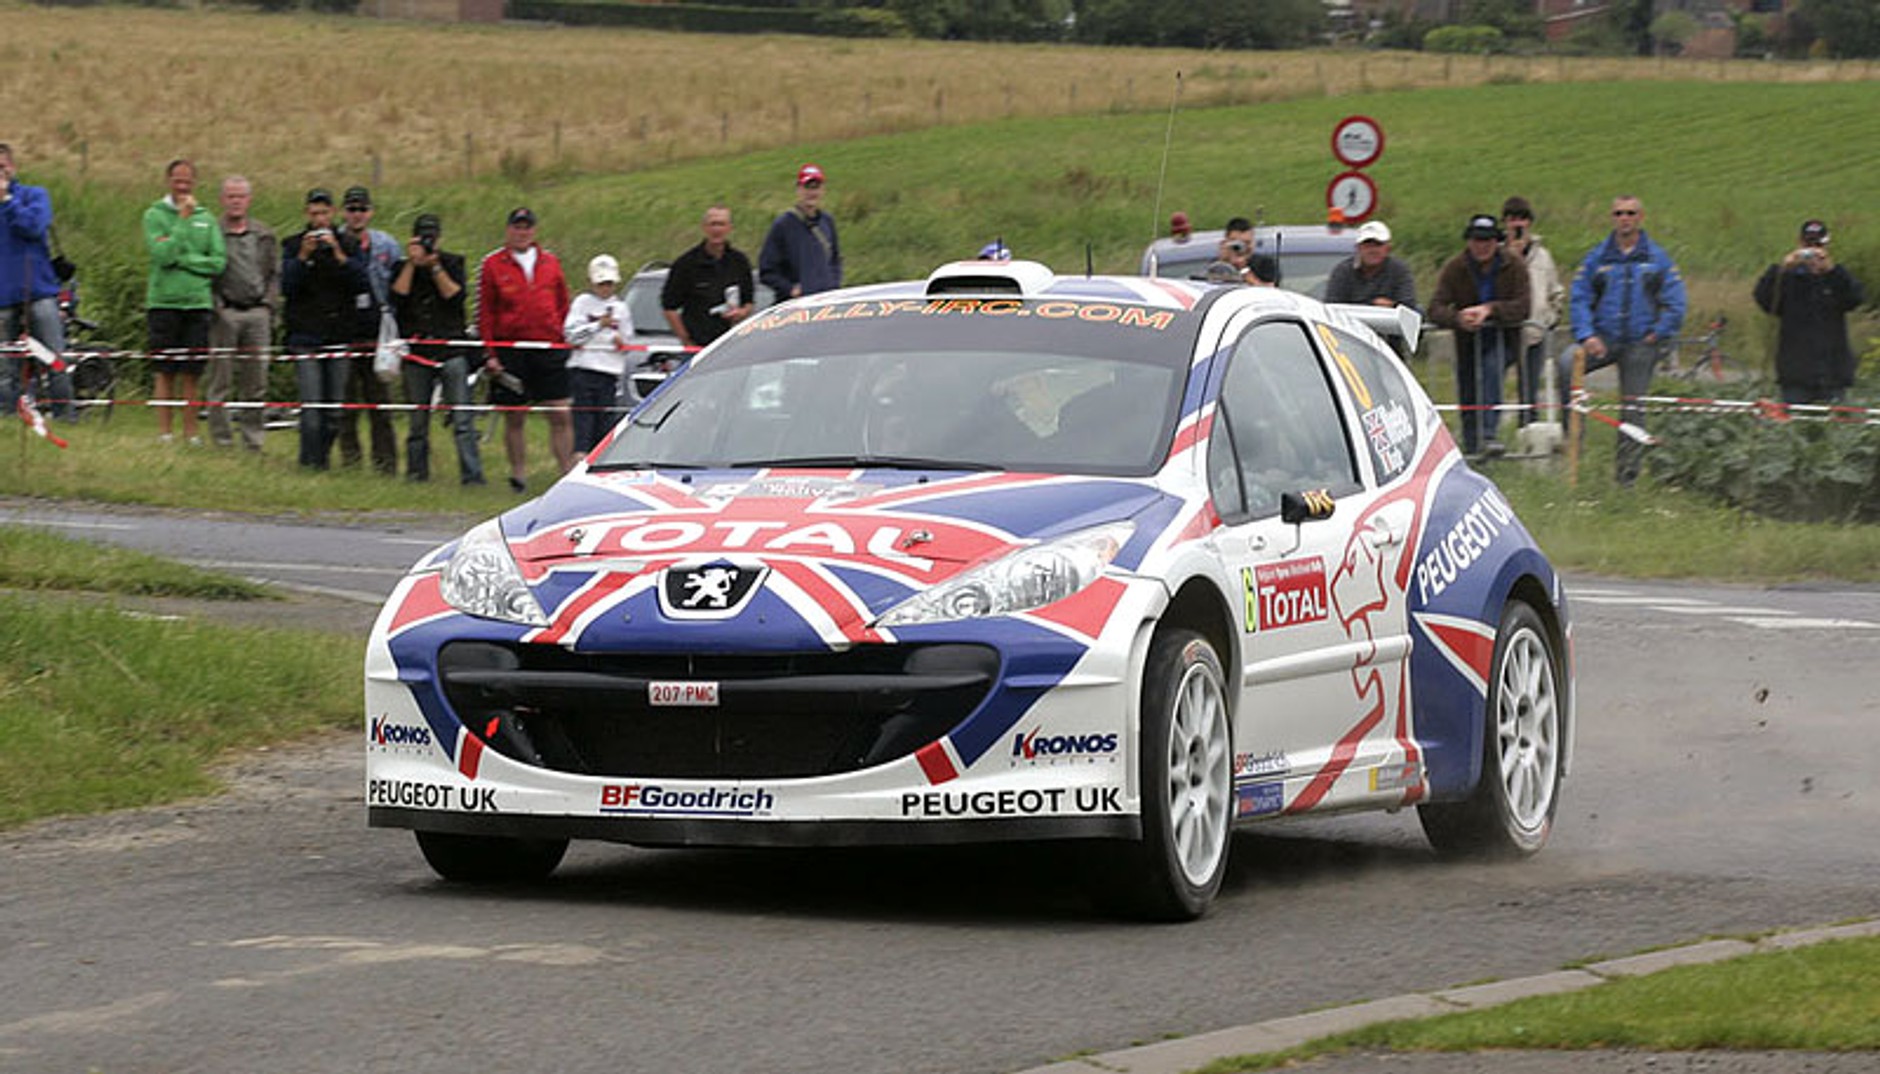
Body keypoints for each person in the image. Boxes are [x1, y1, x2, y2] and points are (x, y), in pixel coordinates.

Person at [1566, 195, 1686, 485]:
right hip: (1603, 340)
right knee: (1565, 364)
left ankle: (1626, 479)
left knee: (1632, 410)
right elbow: (1579, 298)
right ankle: (1570, 445)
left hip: (1640, 344)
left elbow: (1676, 302)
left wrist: (1658, 333)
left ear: (1640, 217)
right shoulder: (1598, 258)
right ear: (1612, 218)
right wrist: (1587, 335)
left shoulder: (1657, 259)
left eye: (1630, 213)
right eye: (1618, 213)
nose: (1624, 218)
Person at [478, 206, 572, 492]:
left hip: (547, 346)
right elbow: (485, 313)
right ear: (509, 230)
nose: (522, 232)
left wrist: (559, 334)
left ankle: (566, 472)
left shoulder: (550, 262)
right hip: (511, 349)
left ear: (534, 230)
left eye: (527, 227)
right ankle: (518, 474)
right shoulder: (493, 264)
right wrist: (490, 354)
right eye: (517, 227)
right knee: (515, 414)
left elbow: (563, 303)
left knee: (560, 413)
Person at [282, 188, 370, 470]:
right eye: (313, 213)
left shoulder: (347, 244)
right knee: (311, 409)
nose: (319, 220)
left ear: (332, 213)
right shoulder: (293, 244)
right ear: (307, 214)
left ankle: (322, 459)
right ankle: (309, 464)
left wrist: (338, 254)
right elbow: (286, 286)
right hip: (305, 335)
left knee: (334, 411)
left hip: (338, 335)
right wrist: (304, 257)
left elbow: (362, 282)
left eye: (323, 213)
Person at [390, 212, 481, 484]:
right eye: (423, 236)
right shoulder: (402, 267)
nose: (428, 241)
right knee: (418, 420)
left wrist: (434, 266)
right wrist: (412, 263)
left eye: (432, 236)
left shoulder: (452, 262)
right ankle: (417, 474)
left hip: (450, 348)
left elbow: (454, 296)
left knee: (462, 419)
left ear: (439, 238)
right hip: (418, 351)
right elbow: (397, 296)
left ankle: (472, 475)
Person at [1429, 213, 1530, 458]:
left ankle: (1489, 435)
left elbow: (1524, 306)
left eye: (1487, 240)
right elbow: (1435, 308)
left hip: (1503, 339)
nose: (1482, 246)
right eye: (1476, 240)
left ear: (1497, 241)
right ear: (1468, 241)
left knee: (1490, 369)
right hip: (1466, 341)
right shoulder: (1455, 267)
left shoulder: (1514, 265)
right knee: (1467, 390)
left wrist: (1490, 310)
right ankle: (1472, 450)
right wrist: (1459, 319)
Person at [143, 158, 227, 445]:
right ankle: (165, 432)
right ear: (168, 181)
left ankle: (191, 433)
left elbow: (217, 262)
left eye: (187, 181)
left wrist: (187, 260)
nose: (182, 186)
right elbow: (162, 256)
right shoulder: (154, 215)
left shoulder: (206, 218)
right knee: (165, 370)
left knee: (192, 371)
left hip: (197, 303)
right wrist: (180, 221)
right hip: (164, 302)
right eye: (177, 181)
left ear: (194, 183)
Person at [1753, 219, 1866, 406]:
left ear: (1826, 245)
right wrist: (1780, 269)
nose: (1813, 251)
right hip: (1796, 374)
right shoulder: (1788, 278)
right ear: (1800, 243)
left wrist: (1832, 271)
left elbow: (1855, 299)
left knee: (1836, 427)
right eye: (1808, 245)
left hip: (1832, 372)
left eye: (1818, 245)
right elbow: (1764, 300)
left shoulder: (1836, 278)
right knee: (1796, 424)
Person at [0, 142, 73, 421]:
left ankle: (64, 414)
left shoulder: (34, 196)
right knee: (4, 366)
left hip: (39, 289)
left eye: (3, 166)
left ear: (13, 167)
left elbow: (32, 226)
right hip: (3, 295)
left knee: (54, 355)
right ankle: (6, 417)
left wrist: (7, 200)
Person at [207, 175, 277, 451]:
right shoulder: (212, 232)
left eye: (241, 196)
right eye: (230, 196)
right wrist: (217, 305)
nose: (236, 201)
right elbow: (205, 272)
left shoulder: (264, 234)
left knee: (256, 381)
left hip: (257, 313)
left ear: (249, 200)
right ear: (222, 200)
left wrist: (269, 305)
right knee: (220, 381)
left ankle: (253, 440)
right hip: (226, 313)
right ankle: (222, 440)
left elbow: (274, 273)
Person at [336, 185, 399, 475]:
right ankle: (350, 461)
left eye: (362, 209)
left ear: (370, 212)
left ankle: (385, 464)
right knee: (346, 403)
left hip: (378, 333)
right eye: (352, 209)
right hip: (345, 330)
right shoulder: (334, 240)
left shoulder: (386, 244)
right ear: (344, 212)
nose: (357, 215)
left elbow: (398, 288)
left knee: (380, 403)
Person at [1500, 196, 1563, 427]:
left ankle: (1528, 434)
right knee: (1493, 382)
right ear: (1505, 222)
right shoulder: (1496, 254)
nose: (1518, 224)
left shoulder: (1542, 255)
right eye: (1512, 219)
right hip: (1503, 332)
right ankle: (1491, 435)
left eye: (1523, 219)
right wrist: (1512, 258)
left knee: (1530, 391)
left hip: (1535, 331)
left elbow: (1554, 290)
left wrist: (1550, 318)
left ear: (1530, 222)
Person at [564, 254, 633, 455]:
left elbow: (629, 341)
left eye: (609, 283)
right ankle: (579, 461)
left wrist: (622, 342)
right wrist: (598, 325)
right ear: (592, 282)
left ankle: (599, 462)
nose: (606, 288)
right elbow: (571, 335)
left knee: (605, 424)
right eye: (601, 283)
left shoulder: (621, 308)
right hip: (583, 371)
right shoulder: (582, 303)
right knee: (583, 423)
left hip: (609, 373)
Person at [661, 204, 754, 352]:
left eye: (721, 224)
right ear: (704, 227)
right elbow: (669, 307)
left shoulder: (740, 262)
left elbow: (749, 302)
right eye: (712, 224)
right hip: (697, 347)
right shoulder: (686, 263)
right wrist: (686, 340)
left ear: (729, 228)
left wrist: (741, 313)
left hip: (731, 346)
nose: (717, 229)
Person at [760, 163, 841, 300]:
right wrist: (790, 289)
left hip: (826, 301)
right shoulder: (783, 225)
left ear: (823, 190)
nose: (812, 193)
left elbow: (835, 259)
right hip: (796, 305)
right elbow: (767, 270)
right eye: (807, 187)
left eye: (816, 187)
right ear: (798, 189)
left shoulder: (827, 221)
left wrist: (833, 284)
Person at [1324, 220, 1418, 311]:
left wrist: (1392, 306)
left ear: (1388, 248)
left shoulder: (1399, 270)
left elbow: (1408, 307)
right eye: (1367, 245)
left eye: (1378, 245)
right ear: (1358, 248)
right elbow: (1332, 307)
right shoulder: (1343, 271)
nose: (1372, 250)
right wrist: (1371, 305)